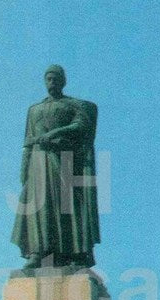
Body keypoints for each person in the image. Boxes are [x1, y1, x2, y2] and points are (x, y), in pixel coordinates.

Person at [11, 65, 100, 269]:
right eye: (48, 79)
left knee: (66, 208)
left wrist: (54, 134)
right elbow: (27, 142)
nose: (52, 83)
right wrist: (24, 169)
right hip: (38, 164)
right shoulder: (34, 110)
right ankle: (38, 252)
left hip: (63, 162)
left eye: (55, 79)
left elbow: (82, 125)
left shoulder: (73, 106)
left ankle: (72, 252)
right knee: (38, 209)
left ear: (63, 81)